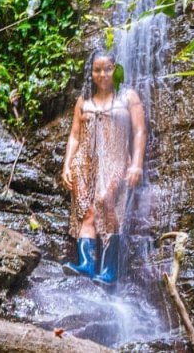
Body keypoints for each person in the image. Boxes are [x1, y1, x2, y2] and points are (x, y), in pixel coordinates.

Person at [61, 50, 147, 285]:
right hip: (85, 161)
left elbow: (140, 131)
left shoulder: (128, 97)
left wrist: (137, 165)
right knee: (85, 211)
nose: (102, 74)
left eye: (107, 69)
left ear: (116, 69)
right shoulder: (84, 100)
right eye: (97, 70)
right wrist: (67, 165)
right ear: (91, 73)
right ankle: (86, 265)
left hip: (116, 159)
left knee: (106, 201)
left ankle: (109, 269)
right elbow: (74, 136)